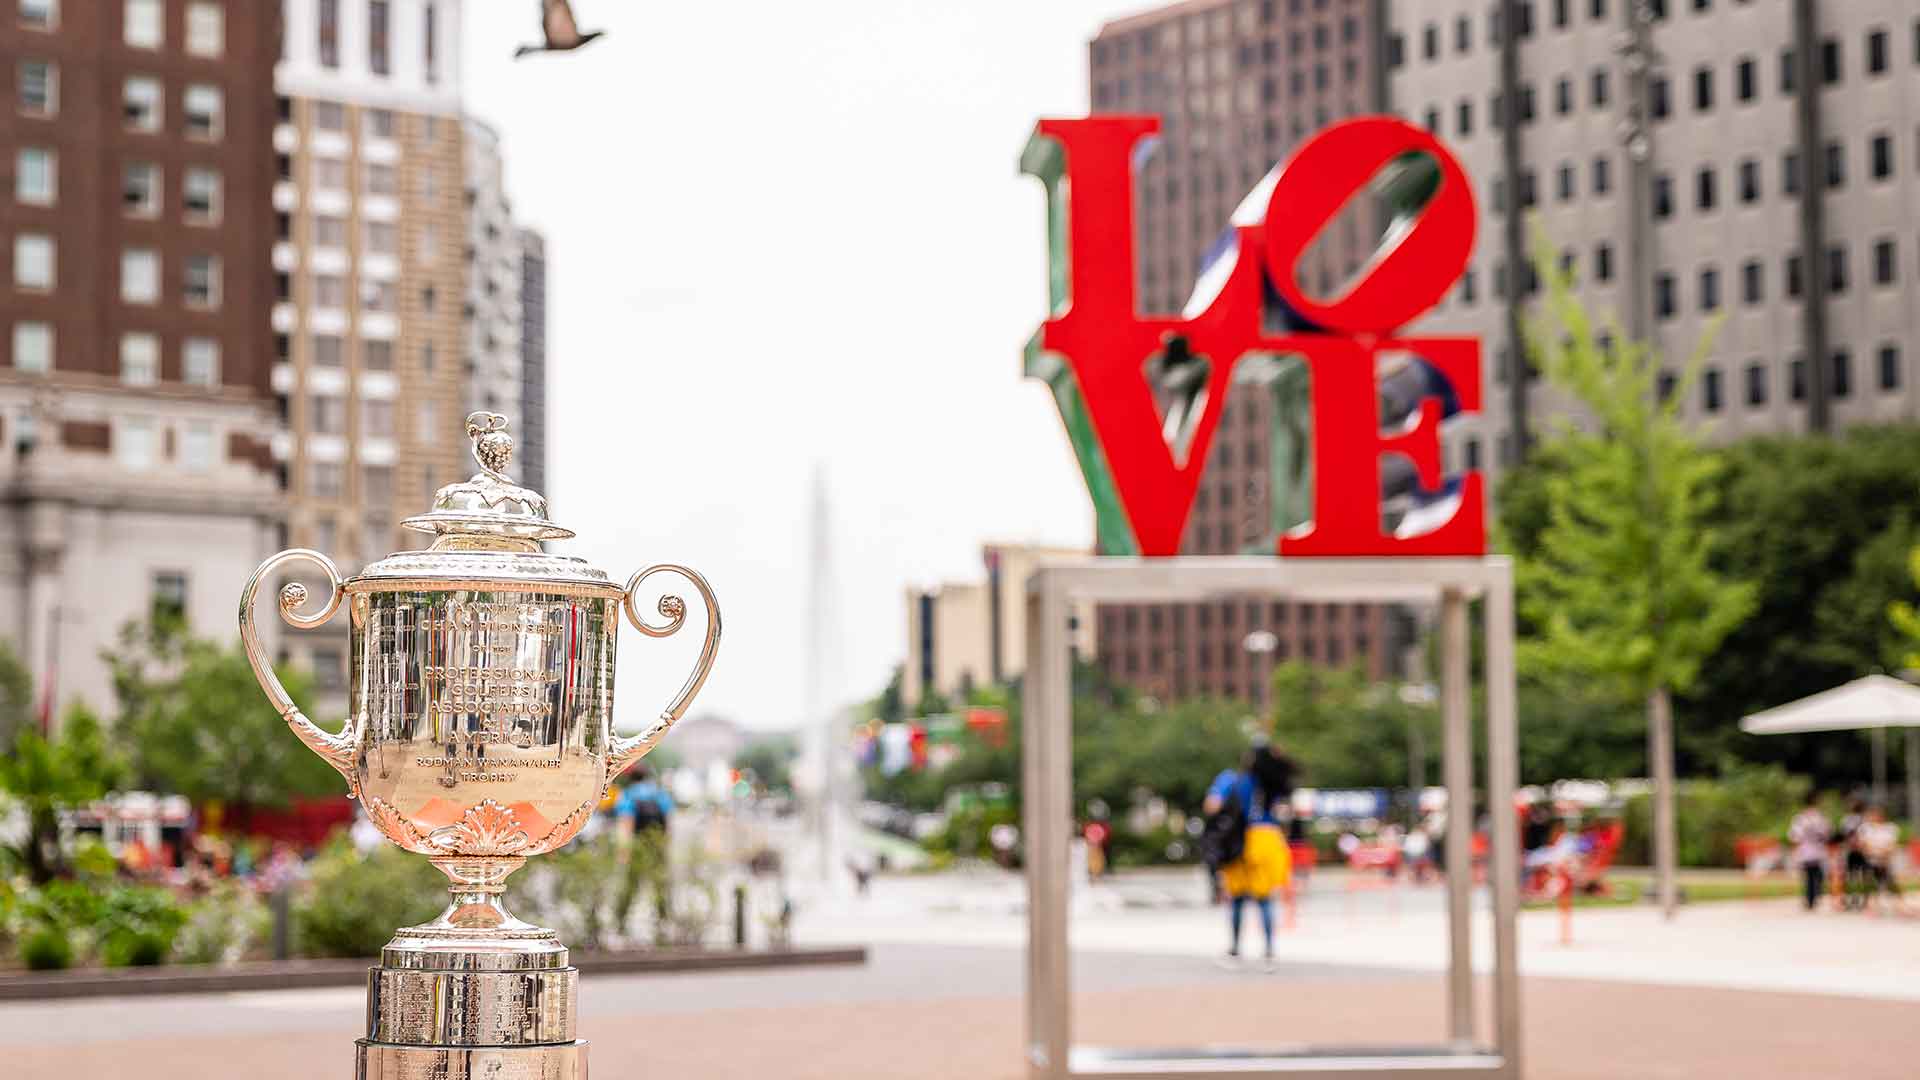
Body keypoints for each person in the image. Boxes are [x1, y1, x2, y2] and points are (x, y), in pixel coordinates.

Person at [1203, 741, 1294, 972]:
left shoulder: (1231, 779)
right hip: (1269, 840)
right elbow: (1284, 811)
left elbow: (1211, 806)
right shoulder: (1271, 782)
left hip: (1241, 840)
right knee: (1264, 899)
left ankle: (1235, 951)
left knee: (1237, 898)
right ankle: (1269, 953)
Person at [1855, 805, 1903, 914]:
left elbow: (1892, 845)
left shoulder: (1890, 828)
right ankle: (1870, 905)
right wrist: (1876, 850)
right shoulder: (1865, 828)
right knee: (1869, 883)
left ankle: (1899, 904)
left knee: (1891, 883)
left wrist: (1882, 852)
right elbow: (1863, 845)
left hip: (1885, 860)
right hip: (1870, 859)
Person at [1787, 793, 1830, 911]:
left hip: (1805, 851)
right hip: (1818, 850)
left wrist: (1794, 850)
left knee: (1808, 877)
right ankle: (1815, 896)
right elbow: (1827, 834)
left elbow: (1794, 836)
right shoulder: (1821, 818)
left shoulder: (1800, 818)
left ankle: (1810, 899)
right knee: (1817, 875)